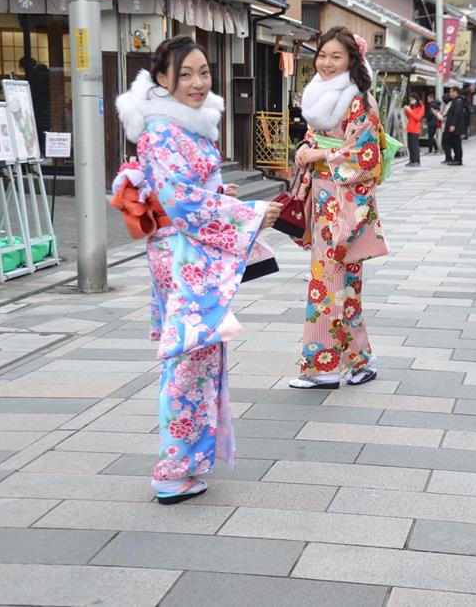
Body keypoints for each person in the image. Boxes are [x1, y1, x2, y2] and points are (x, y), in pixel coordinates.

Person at [113, 36, 282, 504]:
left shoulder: (185, 126)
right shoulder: (162, 131)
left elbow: (194, 193)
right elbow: (183, 204)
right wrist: (250, 214)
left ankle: (188, 463)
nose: (197, 82)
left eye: (204, 72)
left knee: (199, 355)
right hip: (182, 254)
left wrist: (223, 198)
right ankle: (172, 470)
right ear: (161, 79)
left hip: (189, 252)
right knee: (189, 358)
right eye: (184, 73)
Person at [290, 26, 389, 389]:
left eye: (336, 56)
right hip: (325, 198)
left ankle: (324, 368)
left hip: (344, 202)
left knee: (328, 282)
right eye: (322, 55)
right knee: (340, 284)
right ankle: (360, 362)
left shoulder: (359, 99)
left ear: (351, 60)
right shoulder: (321, 93)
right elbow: (315, 136)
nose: (327, 63)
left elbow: (366, 156)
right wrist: (305, 148)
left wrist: (319, 154)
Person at [444, 86, 466, 165]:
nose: (449, 93)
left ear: (455, 92)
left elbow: (456, 114)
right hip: (454, 126)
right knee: (453, 142)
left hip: (456, 126)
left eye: (451, 92)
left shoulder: (458, 101)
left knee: (456, 143)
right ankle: (456, 158)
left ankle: (458, 159)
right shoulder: (455, 100)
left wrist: (453, 125)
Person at [403, 93, 424, 167]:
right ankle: (411, 160)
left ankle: (416, 161)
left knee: (415, 146)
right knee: (410, 145)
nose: (411, 101)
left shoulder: (421, 106)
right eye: (410, 100)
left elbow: (417, 118)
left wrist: (410, 111)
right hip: (409, 128)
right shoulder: (412, 106)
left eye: (412, 100)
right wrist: (406, 110)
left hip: (415, 129)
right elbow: (408, 116)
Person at [440, 93, 453, 164]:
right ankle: (448, 157)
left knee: (445, 142)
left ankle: (449, 158)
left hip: (447, 126)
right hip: (445, 126)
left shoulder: (449, 105)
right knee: (445, 143)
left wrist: (437, 114)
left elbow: (444, 117)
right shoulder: (446, 105)